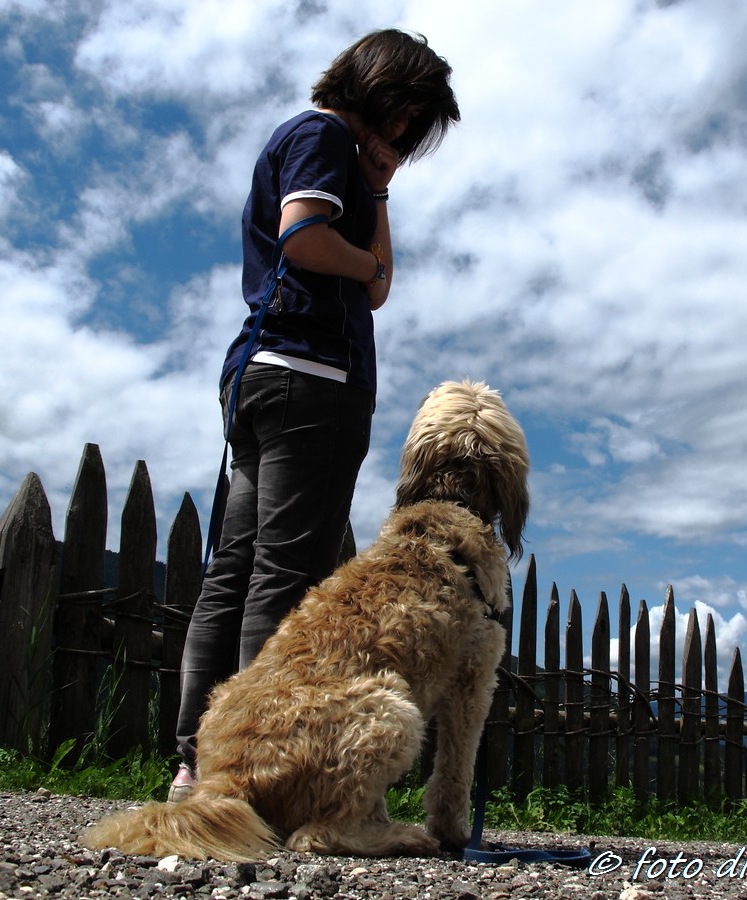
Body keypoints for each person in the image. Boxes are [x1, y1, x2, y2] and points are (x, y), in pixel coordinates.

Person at [169, 29, 460, 801]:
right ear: (384, 93)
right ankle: (251, 771)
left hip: (263, 379)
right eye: (408, 116)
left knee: (231, 573)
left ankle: (198, 765)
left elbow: (378, 285)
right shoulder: (322, 136)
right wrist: (366, 257)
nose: (405, 135)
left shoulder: (327, 149)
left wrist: (381, 191)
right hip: (312, 381)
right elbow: (308, 235)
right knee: (284, 574)